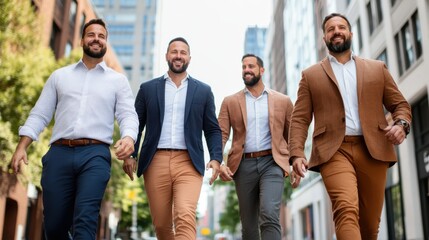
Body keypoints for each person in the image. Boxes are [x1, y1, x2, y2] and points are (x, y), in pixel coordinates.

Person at [10, 18, 139, 239]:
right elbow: (40, 114)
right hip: (59, 153)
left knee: (86, 218)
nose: (96, 39)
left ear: (106, 42)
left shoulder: (117, 81)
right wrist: (22, 147)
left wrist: (129, 138)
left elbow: (128, 114)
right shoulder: (60, 76)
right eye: (91, 35)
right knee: (54, 225)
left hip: (95, 155)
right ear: (81, 40)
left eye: (101, 36)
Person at [289, 13, 412, 240]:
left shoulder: (377, 68)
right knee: (345, 208)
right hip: (333, 151)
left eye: (341, 27)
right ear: (324, 37)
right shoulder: (311, 75)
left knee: (369, 224)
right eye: (331, 29)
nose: (336, 31)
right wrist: (296, 154)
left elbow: (400, 104)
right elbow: (299, 119)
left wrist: (401, 125)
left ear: (350, 33)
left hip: (373, 149)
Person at [122, 37, 223, 240]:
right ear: (167, 56)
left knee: (185, 215)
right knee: (161, 224)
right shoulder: (148, 89)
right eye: (174, 51)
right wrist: (130, 154)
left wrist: (216, 157)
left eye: (183, 52)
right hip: (155, 161)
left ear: (189, 58)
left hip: (189, 162)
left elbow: (212, 129)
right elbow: (136, 125)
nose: (178, 55)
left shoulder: (203, 91)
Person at [217, 54, 300, 240]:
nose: (247, 69)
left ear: (261, 70)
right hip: (243, 165)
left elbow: (292, 135)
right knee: (248, 225)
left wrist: (295, 161)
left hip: (272, 163)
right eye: (244, 66)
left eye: (251, 66)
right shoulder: (230, 102)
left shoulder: (282, 101)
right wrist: (219, 162)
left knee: (269, 214)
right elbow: (221, 134)